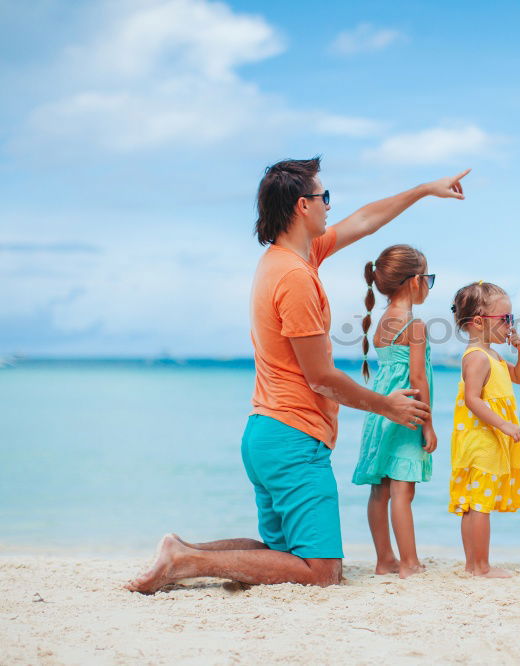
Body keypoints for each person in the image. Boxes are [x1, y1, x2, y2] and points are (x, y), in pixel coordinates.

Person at [126, 158, 469, 593]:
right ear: (302, 206)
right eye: (324, 196)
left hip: (268, 434)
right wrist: (388, 405)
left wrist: (423, 189)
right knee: (322, 571)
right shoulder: (295, 278)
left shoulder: (292, 258)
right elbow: (321, 377)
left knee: (282, 553)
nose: (330, 205)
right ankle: (185, 561)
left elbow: (364, 221)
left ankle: (180, 549)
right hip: (293, 437)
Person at [352, 244, 437, 578]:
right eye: (428, 278)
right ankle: (409, 563)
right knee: (404, 489)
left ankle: (384, 560)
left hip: (381, 410)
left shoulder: (383, 320)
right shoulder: (413, 324)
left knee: (381, 488)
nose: (429, 285)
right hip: (407, 411)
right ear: (414, 281)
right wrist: (427, 425)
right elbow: (418, 378)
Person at [448, 281, 520, 578]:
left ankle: (473, 566)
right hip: (481, 437)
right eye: (505, 319)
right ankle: (480, 566)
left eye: (512, 319)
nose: (510, 325)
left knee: (476, 502)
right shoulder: (478, 357)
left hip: (489, 437)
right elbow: (472, 400)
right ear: (480, 321)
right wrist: (505, 424)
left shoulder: (493, 355)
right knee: (479, 504)